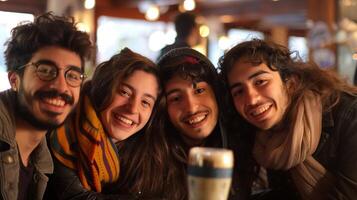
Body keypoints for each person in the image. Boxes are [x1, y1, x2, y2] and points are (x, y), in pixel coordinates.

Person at [219, 39, 357, 199]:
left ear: (290, 84)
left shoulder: (349, 115)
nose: (251, 99)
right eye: (239, 92)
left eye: (261, 82)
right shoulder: (266, 139)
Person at [47, 48, 164, 199]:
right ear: (103, 88)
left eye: (145, 102)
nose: (133, 108)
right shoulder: (64, 131)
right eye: (125, 92)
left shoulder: (148, 152)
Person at [0, 12, 92, 200]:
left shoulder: (42, 158)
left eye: (73, 76)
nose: (61, 87)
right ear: (14, 80)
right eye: (45, 71)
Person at [156, 47, 239, 199]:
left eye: (199, 91)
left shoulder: (247, 149)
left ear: (218, 94)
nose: (191, 108)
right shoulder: (148, 160)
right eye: (175, 98)